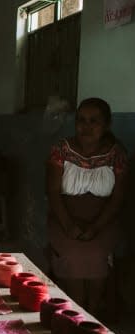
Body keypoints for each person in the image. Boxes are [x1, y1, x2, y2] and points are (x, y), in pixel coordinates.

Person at [46, 97, 127, 316]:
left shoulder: (116, 154)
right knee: (72, 254)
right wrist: (69, 225)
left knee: (97, 253)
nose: (86, 126)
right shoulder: (61, 150)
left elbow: (117, 197)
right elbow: (53, 192)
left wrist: (95, 228)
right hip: (65, 217)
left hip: (103, 221)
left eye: (94, 121)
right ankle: (75, 313)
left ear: (106, 124)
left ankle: (92, 315)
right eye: (81, 120)